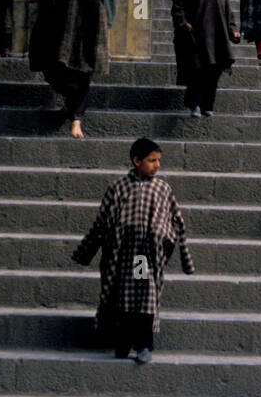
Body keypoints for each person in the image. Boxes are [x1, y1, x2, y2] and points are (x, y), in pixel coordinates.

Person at [71, 137, 195, 363]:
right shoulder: (119, 188)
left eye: (159, 161)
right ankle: (123, 343)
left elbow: (177, 221)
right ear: (137, 161)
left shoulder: (161, 188)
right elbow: (102, 222)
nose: (157, 165)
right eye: (152, 160)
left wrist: (183, 256)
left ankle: (144, 344)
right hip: (120, 254)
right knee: (124, 299)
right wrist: (85, 252)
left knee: (143, 294)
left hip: (145, 254)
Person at [27, 0, 117, 139]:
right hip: (56, 19)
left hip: (87, 22)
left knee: (83, 70)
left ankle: (76, 119)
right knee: (52, 68)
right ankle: (71, 101)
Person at [170, 0, 240, 116]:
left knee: (213, 74)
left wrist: (233, 30)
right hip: (199, 39)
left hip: (218, 39)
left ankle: (208, 105)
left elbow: (229, 16)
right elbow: (178, 6)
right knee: (198, 73)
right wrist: (183, 22)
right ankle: (194, 105)